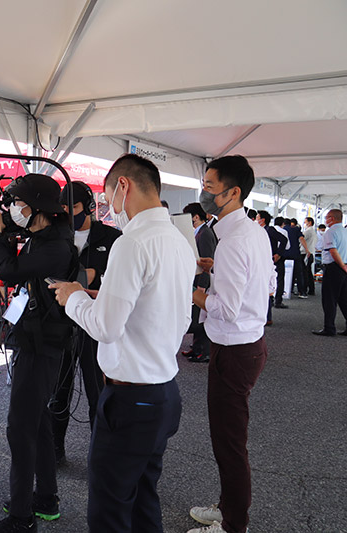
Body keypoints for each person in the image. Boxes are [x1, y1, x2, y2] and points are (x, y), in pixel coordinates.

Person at [52, 154, 196, 532]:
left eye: (107, 198)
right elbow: (171, 313)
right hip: (163, 392)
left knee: (109, 509)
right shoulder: (179, 240)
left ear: (123, 186)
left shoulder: (131, 242)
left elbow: (106, 327)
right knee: (143, 499)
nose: (109, 208)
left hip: (132, 400)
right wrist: (103, 299)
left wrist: (74, 297)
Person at [0, 173, 75, 533]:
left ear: (37, 208)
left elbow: (9, 271)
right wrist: (0, 233)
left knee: (20, 429)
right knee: (38, 423)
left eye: (18, 203)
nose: (13, 210)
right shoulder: (43, 237)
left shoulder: (54, 245)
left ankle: (21, 518)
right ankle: (46, 499)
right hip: (36, 341)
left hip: (40, 346)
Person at [188, 155, 275, 533]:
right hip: (249, 344)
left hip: (235, 350)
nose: (204, 193)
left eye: (209, 186)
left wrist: (192, 291)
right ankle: (227, 507)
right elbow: (267, 283)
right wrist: (216, 269)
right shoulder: (253, 232)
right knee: (229, 438)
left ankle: (233, 524)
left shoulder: (235, 241)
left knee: (229, 443)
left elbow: (226, 308)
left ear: (233, 192)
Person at [51, 181, 121, 464]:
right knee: (58, 392)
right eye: (64, 208)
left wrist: (95, 276)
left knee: (98, 393)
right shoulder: (56, 235)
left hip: (95, 325)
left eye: (75, 207)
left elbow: (120, 282)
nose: (69, 213)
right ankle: (55, 450)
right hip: (62, 325)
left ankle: (101, 456)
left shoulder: (113, 238)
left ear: (90, 206)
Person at [182, 202, 217, 363]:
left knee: (201, 319)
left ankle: (204, 351)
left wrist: (202, 285)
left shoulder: (205, 234)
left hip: (203, 282)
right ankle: (197, 348)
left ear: (195, 217)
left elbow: (207, 260)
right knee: (198, 317)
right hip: (198, 280)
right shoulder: (200, 232)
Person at [312, 209, 347, 336]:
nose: (325, 220)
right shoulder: (345, 231)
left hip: (334, 267)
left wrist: (342, 265)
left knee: (329, 299)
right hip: (344, 267)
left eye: (327, 217)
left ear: (331, 218)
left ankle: (329, 328)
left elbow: (333, 251)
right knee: (344, 299)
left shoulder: (330, 232)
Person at [256, 210, 287, 324]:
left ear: (263, 220)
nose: (256, 220)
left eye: (257, 218)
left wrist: (278, 253)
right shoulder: (259, 230)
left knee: (267, 287)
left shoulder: (269, 230)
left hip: (271, 261)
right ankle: (265, 316)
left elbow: (283, 240)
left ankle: (268, 317)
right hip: (263, 261)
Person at [286, 218, 307, 298]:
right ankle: (302, 292)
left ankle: (287, 290)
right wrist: (307, 250)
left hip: (285, 254)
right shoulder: (296, 229)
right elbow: (301, 239)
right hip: (295, 254)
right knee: (299, 273)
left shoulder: (283, 229)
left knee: (285, 273)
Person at [273, 217, 291, 307]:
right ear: (283, 223)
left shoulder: (269, 230)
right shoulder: (284, 232)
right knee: (280, 279)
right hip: (280, 257)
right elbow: (287, 246)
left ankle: (269, 299)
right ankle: (278, 301)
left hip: (270, 256)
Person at [302, 217, 317, 296]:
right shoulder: (313, 231)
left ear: (310, 222)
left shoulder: (308, 231)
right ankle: (311, 289)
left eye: (305, 222)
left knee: (306, 272)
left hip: (306, 253)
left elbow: (301, 239)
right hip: (311, 252)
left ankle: (306, 289)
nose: (304, 224)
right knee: (308, 272)